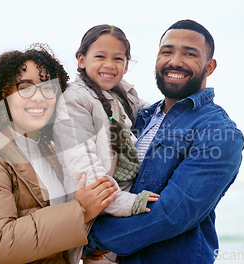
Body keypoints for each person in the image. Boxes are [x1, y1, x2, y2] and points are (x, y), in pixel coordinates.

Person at [0, 44, 118, 264]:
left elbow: (46, 234)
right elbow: (0, 241)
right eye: (25, 87)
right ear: (1, 95)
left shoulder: (48, 152)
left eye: (48, 88)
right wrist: (80, 211)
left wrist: (83, 243)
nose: (38, 97)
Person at [82, 19, 244, 263]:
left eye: (189, 54)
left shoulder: (218, 131)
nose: (175, 61)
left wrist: (89, 239)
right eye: (166, 51)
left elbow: (171, 214)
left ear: (209, 67)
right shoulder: (140, 116)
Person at [53, 25, 159, 263]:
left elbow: (153, 114)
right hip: (101, 218)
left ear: (127, 64)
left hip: (124, 200)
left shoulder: (124, 94)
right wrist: (131, 203)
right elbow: (84, 168)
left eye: (118, 58)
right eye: (100, 56)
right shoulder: (74, 100)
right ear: (81, 59)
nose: (109, 65)